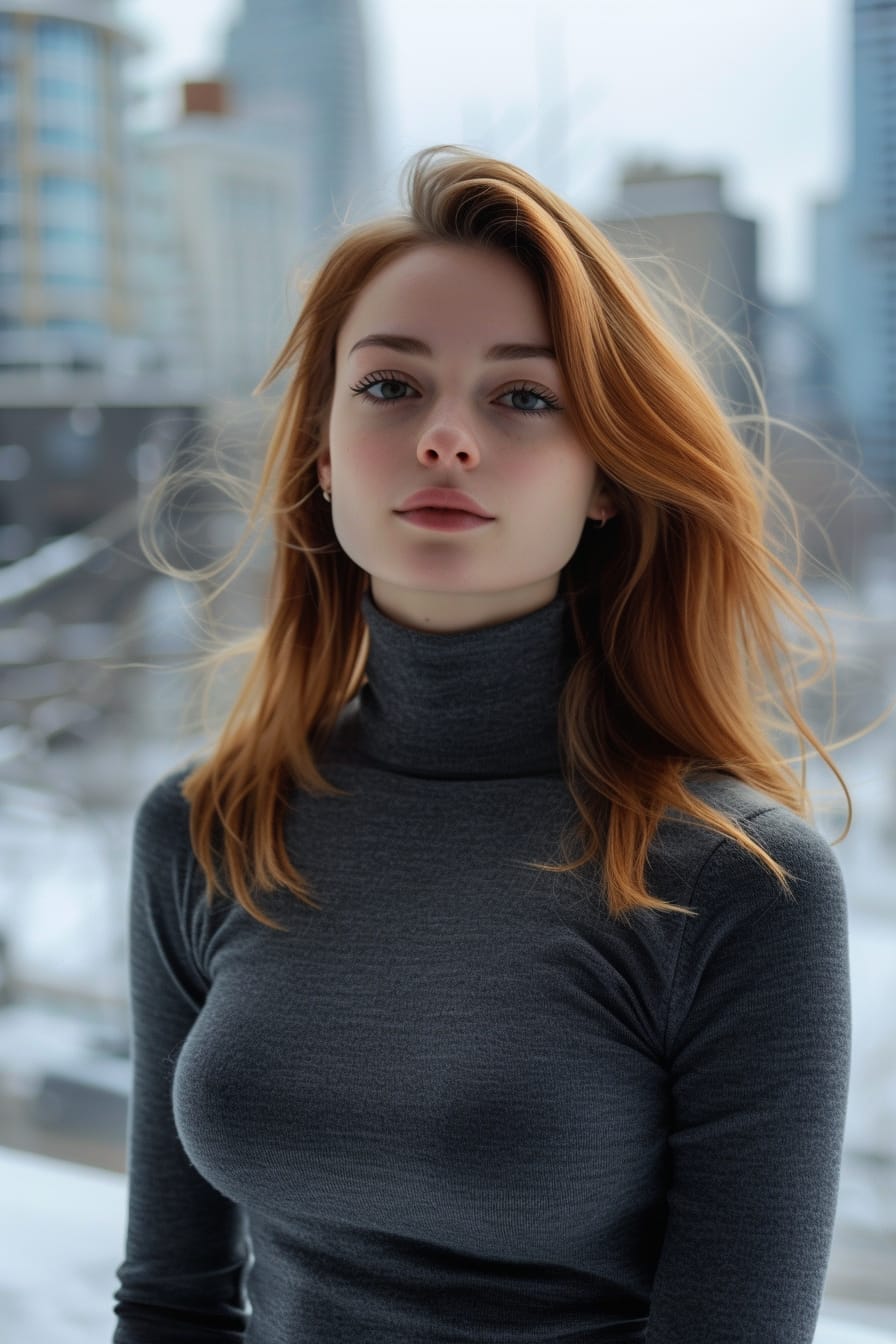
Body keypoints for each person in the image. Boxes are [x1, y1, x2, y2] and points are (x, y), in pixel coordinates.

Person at [113, 145, 853, 1343]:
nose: (444, 439)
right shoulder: (206, 830)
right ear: (318, 451)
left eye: (521, 397)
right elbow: (168, 1300)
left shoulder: (733, 882)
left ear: (604, 473)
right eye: (391, 388)